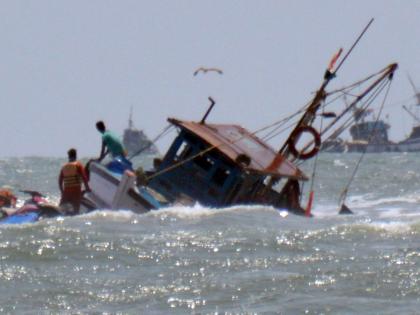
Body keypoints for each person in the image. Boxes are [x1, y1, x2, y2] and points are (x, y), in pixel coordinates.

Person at [58, 148, 90, 212]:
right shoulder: (78, 165)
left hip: (66, 191)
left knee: (60, 209)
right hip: (76, 190)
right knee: (76, 211)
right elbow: (84, 177)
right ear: (75, 156)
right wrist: (87, 188)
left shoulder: (64, 167)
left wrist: (62, 191)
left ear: (68, 156)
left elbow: (60, 181)